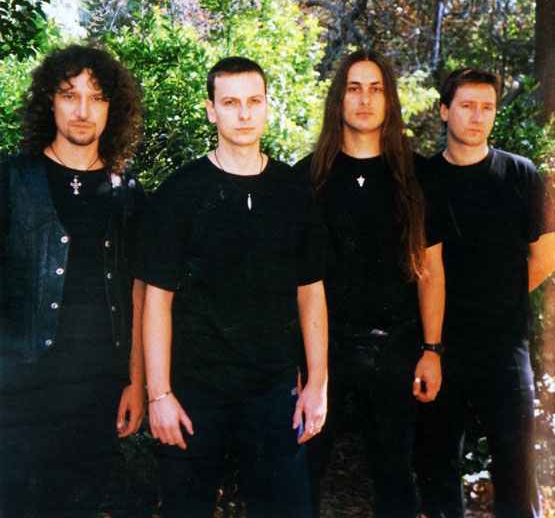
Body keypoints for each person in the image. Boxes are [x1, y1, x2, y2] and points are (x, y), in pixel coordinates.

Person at [133, 56, 328, 518]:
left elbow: (311, 292)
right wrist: (159, 394)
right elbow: (156, 300)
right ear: (210, 110)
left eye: (254, 101)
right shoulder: (180, 191)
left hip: (273, 390)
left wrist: (318, 382)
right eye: (231, 102)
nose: (244, 114)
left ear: (267, 107)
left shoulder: (293, 190)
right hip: (194, 391)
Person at [295, 49, 445, 518]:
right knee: (304, 469)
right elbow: (293, 281)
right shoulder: (308, 177)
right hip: (324, 351)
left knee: (395, 475)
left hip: (395, 347)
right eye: (354, 89)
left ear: (389, 99)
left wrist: (432, 350)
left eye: (376, 89)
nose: (365, 100)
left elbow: (431, 270)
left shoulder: (418, 176)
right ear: (338, 99)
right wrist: (298, 364)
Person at [0, 44, 147, 517]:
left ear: (112, 108)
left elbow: (139, 296)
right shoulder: (12, 180)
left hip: (96, 394)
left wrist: (136, 382)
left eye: (96, 97)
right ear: (49, 101)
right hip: (16, 391)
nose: (83, 110)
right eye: (69, 95)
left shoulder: (128, 193)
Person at [414, 68, 555, 518]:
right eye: (467, 106)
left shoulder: (519, 173)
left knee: (517, 473)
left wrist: (499, 295)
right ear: (444, 110)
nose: (478, 117)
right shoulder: (423, 178)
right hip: (440, 348)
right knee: (437, 469)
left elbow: (546, 255)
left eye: (487, 107)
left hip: (503, 348)